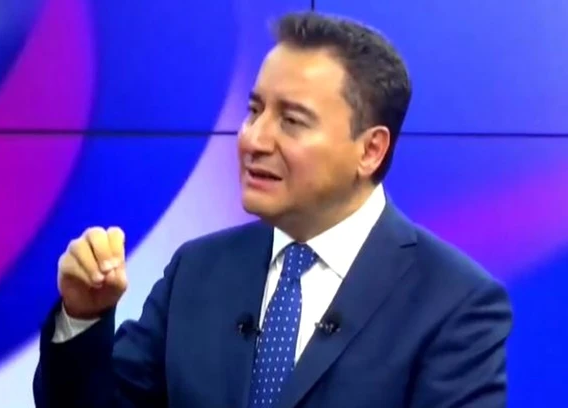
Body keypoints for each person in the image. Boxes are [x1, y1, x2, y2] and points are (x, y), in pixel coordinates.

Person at [33, 11, 512, 408]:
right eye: (254, 110)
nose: (253, 139)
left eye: (292, 120)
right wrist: (84, 316)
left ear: (370, 150)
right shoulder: (196, 271)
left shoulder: (455, 302)